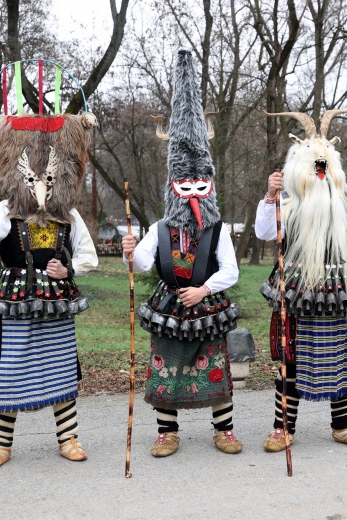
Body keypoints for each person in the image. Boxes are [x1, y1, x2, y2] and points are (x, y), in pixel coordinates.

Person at [0, 100, 99, 469]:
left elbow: (88, 256)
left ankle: (68, 437)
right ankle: (1, 445)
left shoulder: (68, 215)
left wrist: (67, 271)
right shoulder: (5, 209)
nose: (40, 183)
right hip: (16, 301)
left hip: (56, 301)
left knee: (60, 365)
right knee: (11, 368)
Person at [121, 50, 242, 458]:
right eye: (183, 183)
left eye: (199, 183)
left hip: (206, 306)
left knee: (214, 367)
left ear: (208, 183)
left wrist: (204, 290)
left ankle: (223, 431)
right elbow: (140, 263)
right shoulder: (159, 229)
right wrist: (127, 253)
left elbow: (231, 270)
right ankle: (166, 433)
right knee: (166, 368)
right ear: (173, 186)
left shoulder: (217, 229)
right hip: (169, 307)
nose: (191, 190)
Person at [255, 109, 347, 451]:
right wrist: (270, 197)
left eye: (324, 163)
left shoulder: (345, 201)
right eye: (314, 162)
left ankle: (343, 426)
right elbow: (264, 232)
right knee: (293, 358)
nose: (320, 169)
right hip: (299, 289)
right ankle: (282, 428)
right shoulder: (287, 200)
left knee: (343, 357)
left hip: (341, 288)